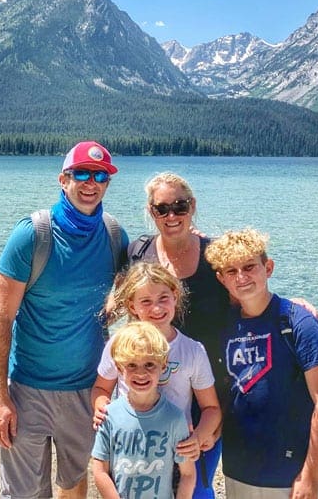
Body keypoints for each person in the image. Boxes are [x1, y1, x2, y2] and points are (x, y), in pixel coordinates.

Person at [0, 141, 129, 499]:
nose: (90, 182)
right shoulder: (32, 235)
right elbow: (1, 320)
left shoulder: (114, 236)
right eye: (81, 173)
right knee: (23, 493)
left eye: (100, 176)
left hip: (88, 390)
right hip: (28, 391)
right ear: (62, 179)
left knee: (73, 482)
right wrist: (0, 399)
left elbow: (139, 292)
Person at [204, 229, 318, 499]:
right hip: (238, 468)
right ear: (221, 279)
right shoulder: (225, 326)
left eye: (249, 267)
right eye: (231, 271)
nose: (241, 277)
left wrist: (310, 476)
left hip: (290, 472)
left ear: (269, 267)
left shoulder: (298, 323)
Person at [125, 172, 230, 497]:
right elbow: (126, 308)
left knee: (197, 485)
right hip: (152, 396)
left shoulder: (216, 255)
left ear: (192, 206)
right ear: (151, 212)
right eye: (162, 209)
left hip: (207, 394)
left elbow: (250, 296)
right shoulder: (138, 252)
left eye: (180, 206)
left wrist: (291, 308)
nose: (172, 216)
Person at [92, 262, 221, 465]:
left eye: (163, 298)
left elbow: (211, 408)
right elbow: (101, 388)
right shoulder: (118, 344)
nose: (157, 308)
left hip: (175, 452)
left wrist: (199, 436)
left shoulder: (193, 351)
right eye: (146, 301)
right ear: (132, 305)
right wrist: (101, 406)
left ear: (175, 297)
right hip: (128, 450)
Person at [91, 321, 196, 499]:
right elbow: (100, 470)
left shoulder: (174, 418)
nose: (141, 373)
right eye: (132, 365)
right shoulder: (109, 416)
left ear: (163, 365)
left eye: (149, 364)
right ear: (119, 368)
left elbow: (187, 473)